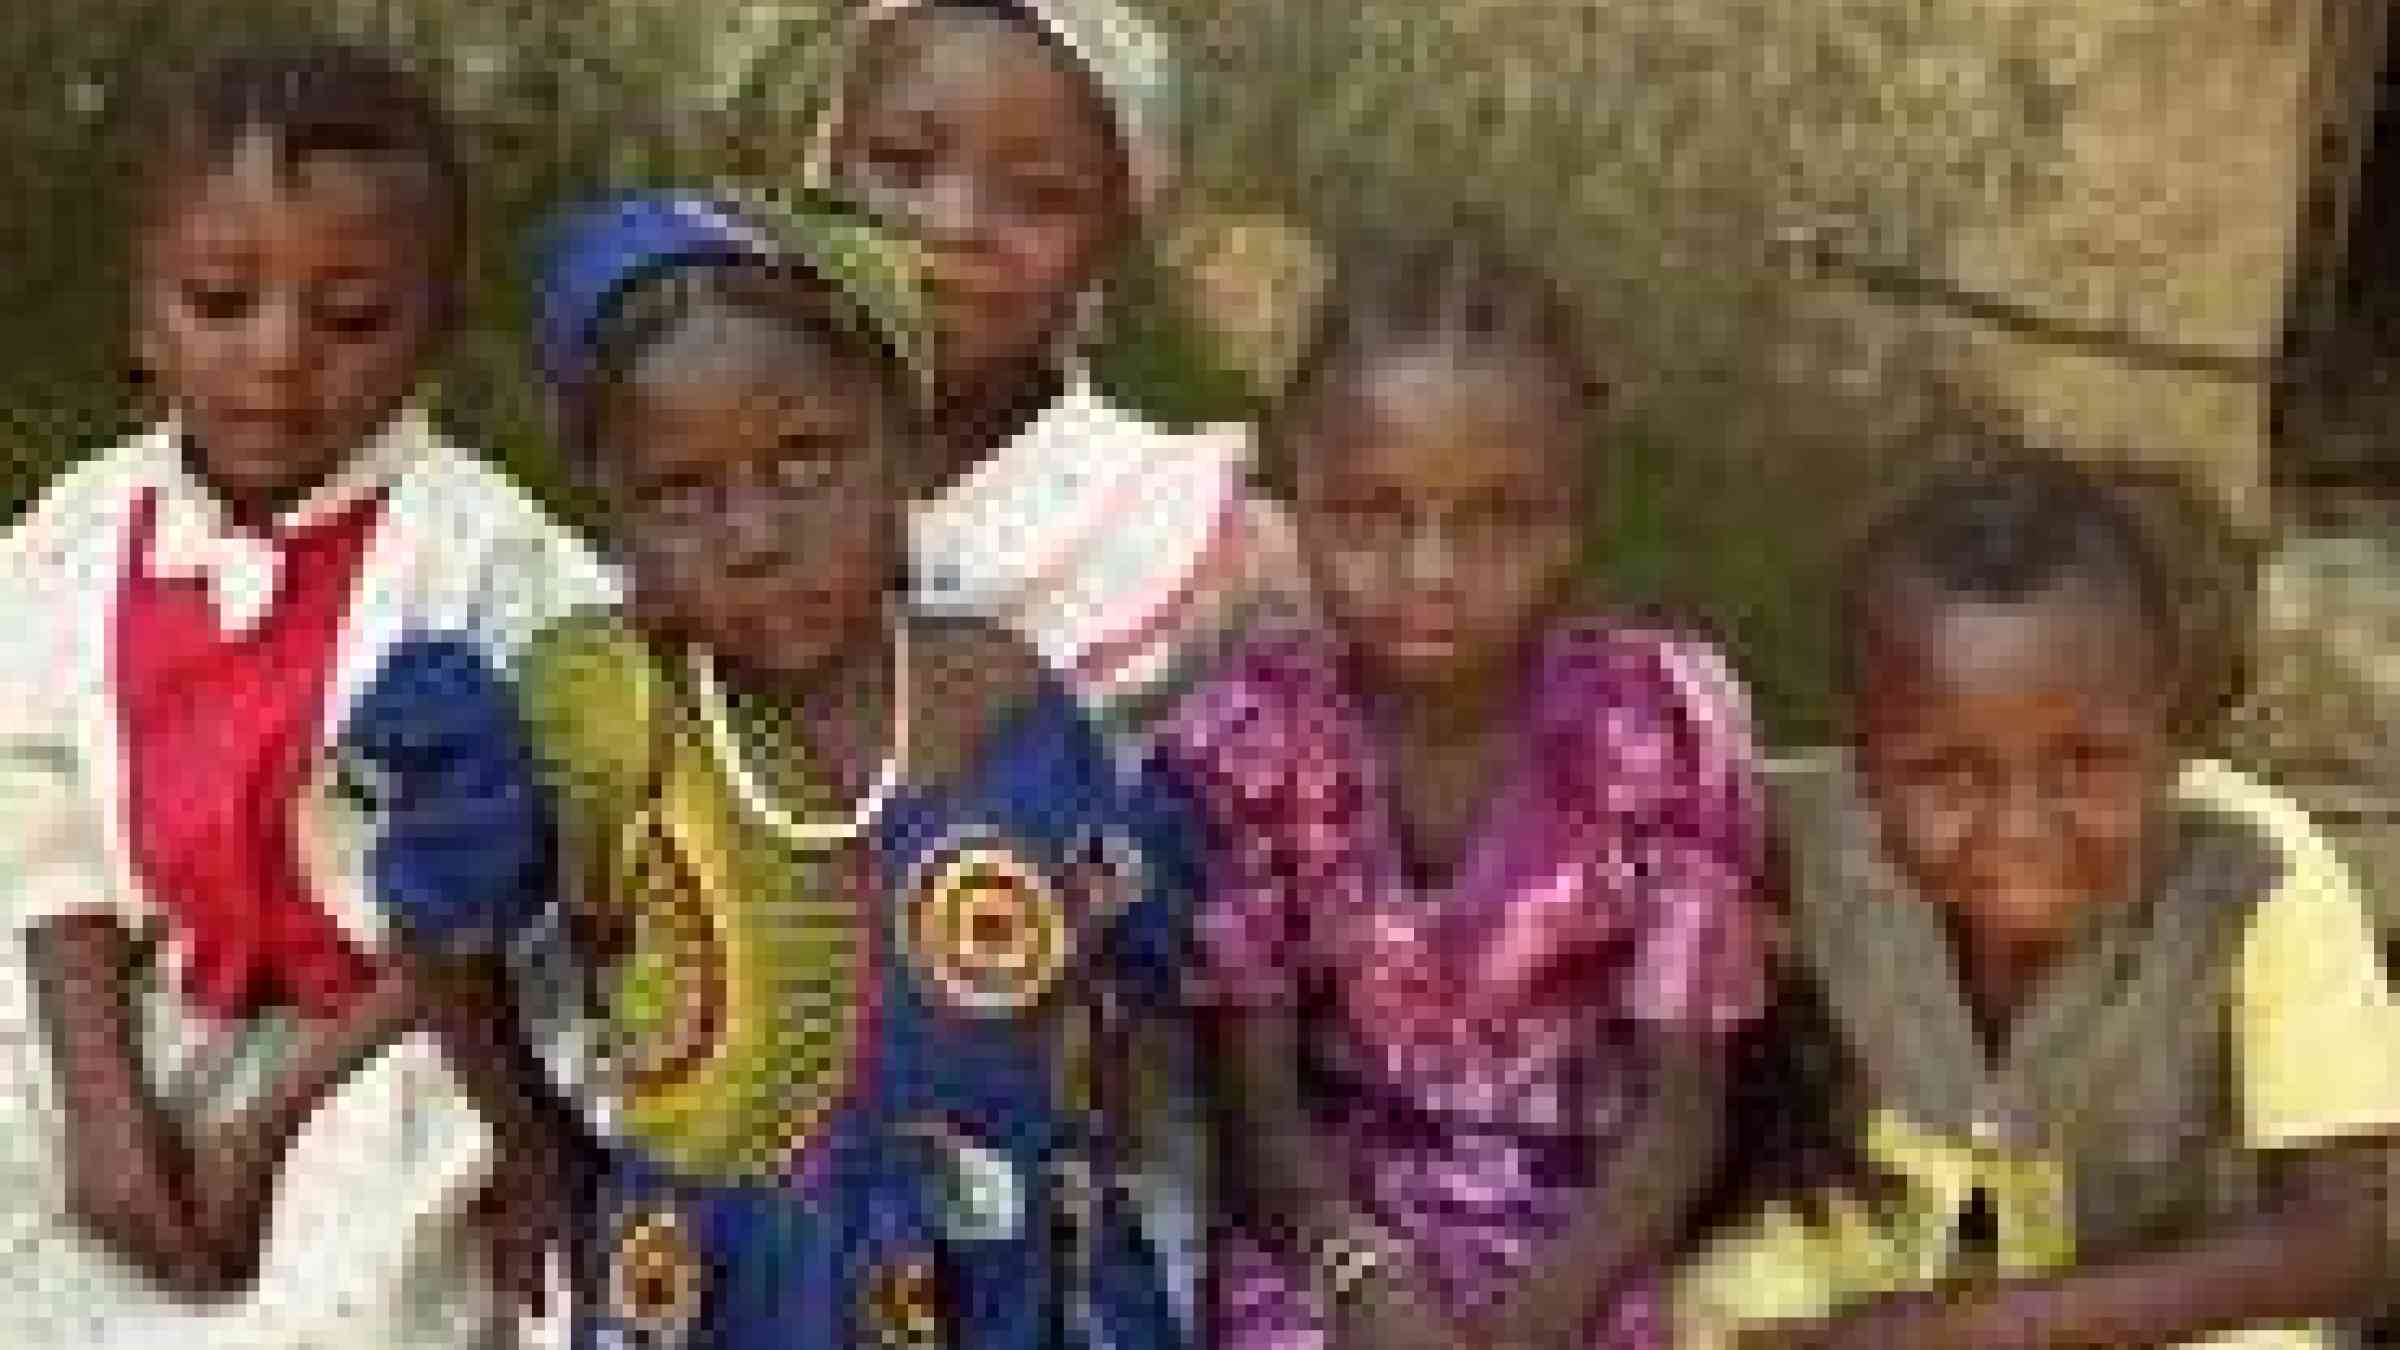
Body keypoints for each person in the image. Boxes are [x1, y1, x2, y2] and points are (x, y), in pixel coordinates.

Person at [0, 43, 613, 1349]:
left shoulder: (496, 568)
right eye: (221, 299)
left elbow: (516, 902)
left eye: (350, 320)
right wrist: (106, 1112)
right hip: (142, 997)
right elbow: (37, 809)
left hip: (401, 1025)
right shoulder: (77, 533)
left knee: (366, 1271)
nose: (277, 356)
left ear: (438, 329)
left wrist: (270, 1122)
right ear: (141, 310)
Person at [522, 190, 1195, 1349]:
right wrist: (536, 1151)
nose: (753, 537)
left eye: (805, 462)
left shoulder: (1003, 700)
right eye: (681, 493)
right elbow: (448, 927)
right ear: (614, 514)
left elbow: (1122, 979)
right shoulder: (614, 720)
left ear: (904, 449)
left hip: (1004, 1280)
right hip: (721, 1292)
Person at [1152, 229, 1770, 1350]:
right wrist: (1362, 1283)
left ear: (1574, 519)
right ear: (1301, 500)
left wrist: (1538, 1318)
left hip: (1585, 1234)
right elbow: (1259, 1114)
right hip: (1330, 1233)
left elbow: (1682, 1116)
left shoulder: (1661, 727)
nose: (1432, 570)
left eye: (1498, 518)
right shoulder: (1246, 739)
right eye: (1374, 515)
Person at [810, 4, 1314, 1324]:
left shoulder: (1192, 537)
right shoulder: (730, 469)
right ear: (825, 166)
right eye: (902, 165)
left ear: (1115, 229)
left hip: (1074, 1177)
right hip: (768, 1151)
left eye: (1034, 196)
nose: (954, 223)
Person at [1675, 451, 2400, 1349]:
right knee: (1707, 1315)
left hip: (2162, 1307)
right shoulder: (1789, 847)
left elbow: (2346, 1239)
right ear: (1862, 761)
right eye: (1947, 775)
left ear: (2170, 739)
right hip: (1873, 1272)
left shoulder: (2258, 874)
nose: (2021, 828)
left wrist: (1974, 1331)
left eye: (2085, 764)